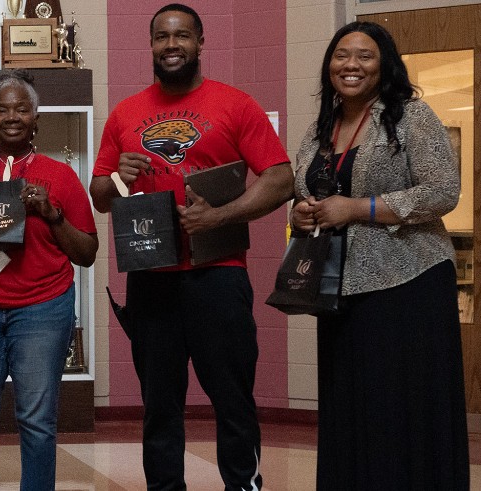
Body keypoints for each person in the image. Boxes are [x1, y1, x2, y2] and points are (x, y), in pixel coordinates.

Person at [88, 4, 293, 490]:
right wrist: (120, 177)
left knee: (232, 398)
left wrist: (220, 216)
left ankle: (243, 484)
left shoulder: (235, 104)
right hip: (152, 278)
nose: (171, 45)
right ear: (152, 45)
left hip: (218, 273)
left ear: (201, 43)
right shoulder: (125, 113)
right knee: (160, 406)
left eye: (181, 36)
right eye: (161, 37)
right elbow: (100, 195)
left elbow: (282, 178)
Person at [291, 21, 468, 488]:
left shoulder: (411, 116)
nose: (350, 65)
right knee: (349, 403)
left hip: (408, 282)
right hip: (339, 286)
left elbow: (443, 190)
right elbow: (305, 190)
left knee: (398, 406)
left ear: (385, 65)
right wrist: (302, 213)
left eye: (365, 56)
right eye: (341, 55)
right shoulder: (319, 129)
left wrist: (361, 208)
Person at [0, 70, 98, 490]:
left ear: (36, 117)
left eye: (22, 108)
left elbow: (86, 254)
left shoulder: (60, 176)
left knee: (36, 419)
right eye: (2, 108)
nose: (12, 116)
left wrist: (52, 214)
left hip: (43, 308)